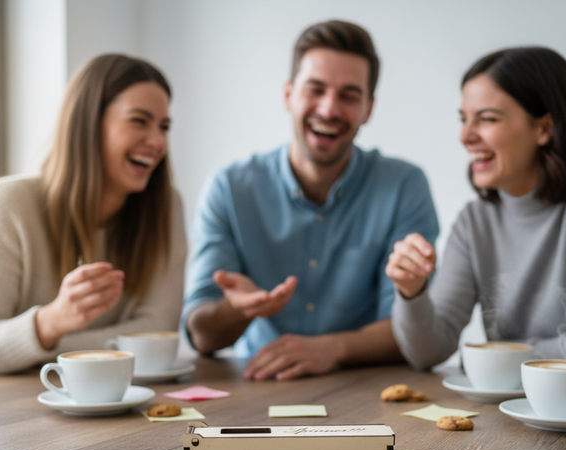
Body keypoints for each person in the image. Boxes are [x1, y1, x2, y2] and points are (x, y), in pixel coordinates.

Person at [183, 20, 439, 381]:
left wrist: (332, 348)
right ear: (288, 94)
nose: (329, 108)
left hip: (366, 391)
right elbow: (200, 333)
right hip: (259, 387)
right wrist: (234, 310)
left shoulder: (404, 186)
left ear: (368, 108)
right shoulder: (228, 187)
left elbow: (409, 328)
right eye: (314, 89)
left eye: (349, 95)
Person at [386, 47, 566, 382]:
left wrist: (489, 361)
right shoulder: (474, 222)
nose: (465, 136)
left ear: (544, 128)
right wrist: (412, 292)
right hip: (514, 415)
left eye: (486, 119)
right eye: (463, 119)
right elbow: (428, 351)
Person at [0, 54, 187, 379]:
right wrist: (51, 322)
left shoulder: (165, 208)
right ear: (88, 123)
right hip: (15, 417)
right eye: (138, 121)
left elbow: (157, 330)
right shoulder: (8, 205)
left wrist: (43, 351)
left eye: (164, 127)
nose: (158, 142)